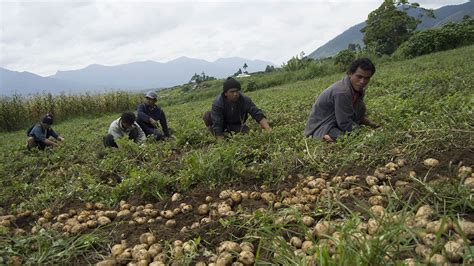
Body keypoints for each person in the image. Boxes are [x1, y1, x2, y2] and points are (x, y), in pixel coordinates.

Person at [304, 58, 379, 142]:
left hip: (337, 119)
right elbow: (344, 123)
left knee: (360, 110)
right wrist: (362, 133)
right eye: (359, 77)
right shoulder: (342, 92)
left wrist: (372, 124)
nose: (362, 81)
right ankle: (325, 137)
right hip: (323, 125)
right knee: (346, 138)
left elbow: (357, 112)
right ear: (350, 74)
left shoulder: (357, 88)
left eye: (367, 78)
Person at [203, 77, 272, 140]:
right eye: (232, 92)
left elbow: (257, 113)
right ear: (225, 93)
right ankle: (216, 134)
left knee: (249, 134)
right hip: (223, 124)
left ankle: (230, 133)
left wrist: (268, 128)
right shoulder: (218, 103)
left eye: (237, 91)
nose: (235, 94)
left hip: (236, 124)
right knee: (208, 116)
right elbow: (217, 122)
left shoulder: (245, 100)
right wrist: (221, 142)